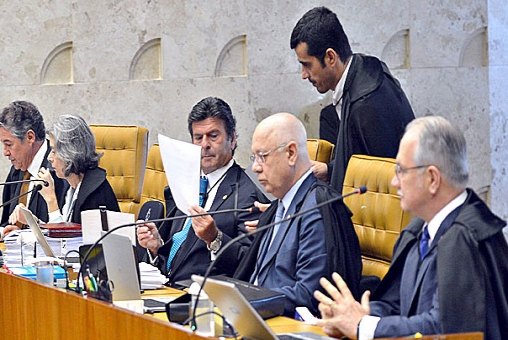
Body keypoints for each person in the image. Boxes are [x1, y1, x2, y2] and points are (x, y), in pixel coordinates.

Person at [314, 116, 508, 339]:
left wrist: (363, 327)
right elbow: (398, 307)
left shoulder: (464, 238)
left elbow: (447, 329)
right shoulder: (419, 231)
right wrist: (350, 316)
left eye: (401, 170)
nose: (395, 182)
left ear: (432, 178)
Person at [221, 112, 361, 317]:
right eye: (254, 157)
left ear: (291, 153)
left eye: (263, 156)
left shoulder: (317, 209)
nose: (255, 167)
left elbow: (309, 294)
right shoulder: (278, 206)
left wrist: (246, 301)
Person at [136, 97, 267, 285]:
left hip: (202, 299)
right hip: (165, 291)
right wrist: (156, 248)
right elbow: (178, 257)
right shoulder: (183, 186)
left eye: (213, 136)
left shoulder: (248, 194)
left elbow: (248, 265)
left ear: (232, 140)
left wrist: (215, 239)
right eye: (198, 137)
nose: (204, 145)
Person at [290, 6, 415, 191]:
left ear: (330, 57)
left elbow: (386, 180)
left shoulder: (367, 103)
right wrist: (329, 170)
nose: (304, 74)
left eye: (307, 65)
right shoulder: (364, 70)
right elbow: (363, 161)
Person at [9, 114, 120, 225]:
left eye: (54, 151)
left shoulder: (94, 191)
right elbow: (64, 230)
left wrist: (51, 200)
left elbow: (69, 239)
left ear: (70, 152)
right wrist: (33, 222)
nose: (49, 158)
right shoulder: (72, 185)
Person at [0, 101, 67, 237]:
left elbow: (65, 231)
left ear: (30, 137)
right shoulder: (17, 170)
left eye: (9, 144)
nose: (5, 152)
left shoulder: (58, 171)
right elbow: (7, 223)